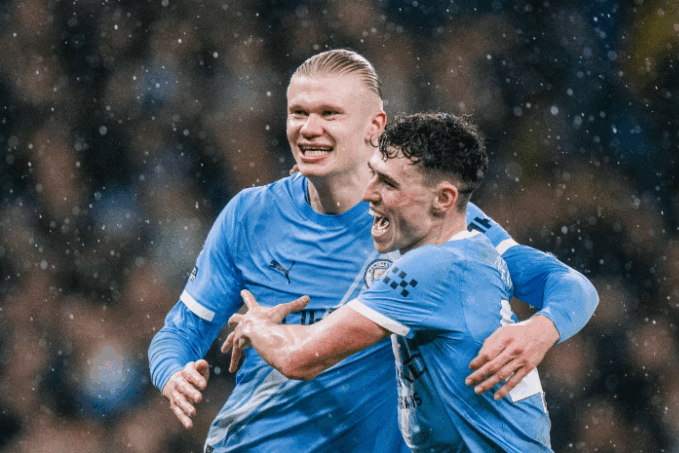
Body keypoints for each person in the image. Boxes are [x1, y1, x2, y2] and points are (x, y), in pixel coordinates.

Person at [148, 49, 598, 452]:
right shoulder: (249, 215)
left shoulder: (432, 223)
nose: (309, 128)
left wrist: (541, 331)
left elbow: (567, 284)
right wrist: (173, 373)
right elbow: (180, 331)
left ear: (375, 126)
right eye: (298, 113)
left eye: (329, 113)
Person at [224, 112, 553, 452]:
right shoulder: (474, 253)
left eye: (388, 183)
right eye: (374, 175)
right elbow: (322, 337)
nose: (368, 193)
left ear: (443, 199)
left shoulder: (433, 268)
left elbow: (300, 359)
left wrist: (256, 327)